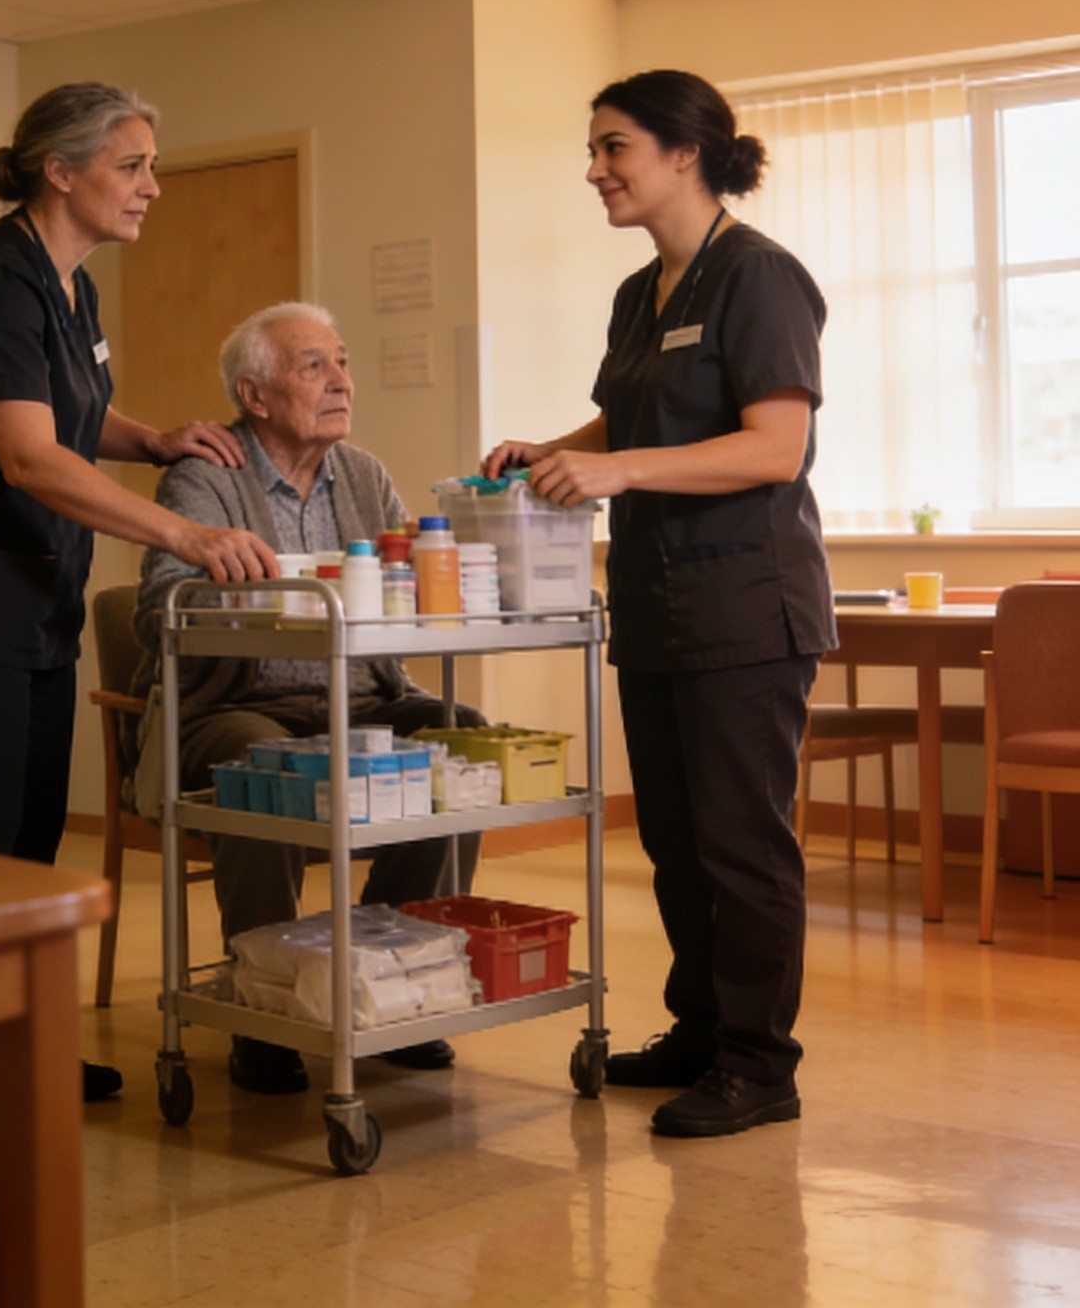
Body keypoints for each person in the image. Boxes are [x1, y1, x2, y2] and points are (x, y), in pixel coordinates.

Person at [0, 81, 277, 1130]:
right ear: (61, 168)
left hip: (29, 596)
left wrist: (153, 441)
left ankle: (14, 1042)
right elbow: (26, 452)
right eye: (131, 165)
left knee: (31, 830)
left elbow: (73, 414)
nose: (149, 186)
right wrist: (181, 530)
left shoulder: (69, 283)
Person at [482, 68, 831, 1139]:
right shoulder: (641, 293)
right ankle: (700, 1030)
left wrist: (619, 471)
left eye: (613, 148)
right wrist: (554, 451)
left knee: (740, 843)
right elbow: (624, 424)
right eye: (592, 151)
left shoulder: (760, 278)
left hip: (744, 605)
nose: (595, 171)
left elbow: (776, 445)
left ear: (686, 152)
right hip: (656, 604)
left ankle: (759, 1063)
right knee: (674, 844)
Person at [128, 302, 487, 1096]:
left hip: (363, 700)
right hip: (236, 704)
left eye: (343, 362)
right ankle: (270, 1002)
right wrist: (249, 595)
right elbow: (159, 610)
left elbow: (409, 591)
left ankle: (393, 974)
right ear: (255, 396)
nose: (341, 382)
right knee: (269, 759)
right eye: (313, 366)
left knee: (458, 733)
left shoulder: (363, 473)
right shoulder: (202, 475)